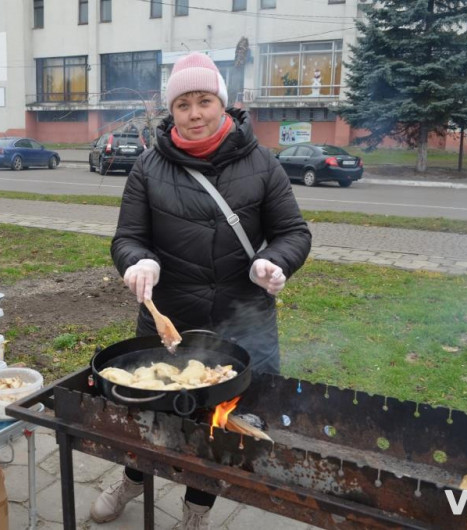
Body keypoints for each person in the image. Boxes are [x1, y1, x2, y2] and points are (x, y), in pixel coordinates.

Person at [90, 52, 312, 528]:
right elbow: (127, 238)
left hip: (243, 319)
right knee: (149, 416)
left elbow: (294, 232)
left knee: (218, 425)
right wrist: (138, 261)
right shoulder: (148, 168)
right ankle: (132, 481)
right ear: (173, 110)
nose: (194, 114)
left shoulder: (263, 163)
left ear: (223, 105)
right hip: (169, 318)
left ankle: (197, 509)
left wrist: (275, 262)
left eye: (204, 101)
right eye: (184, 103)